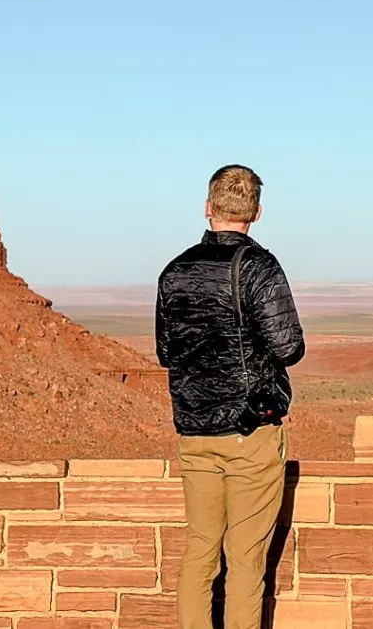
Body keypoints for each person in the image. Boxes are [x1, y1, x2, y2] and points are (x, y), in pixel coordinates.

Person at [156, 164, 305, 629]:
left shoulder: (174, 271)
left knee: (199, 553)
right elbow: (289, 347)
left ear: (208, 207)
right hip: (249, 431)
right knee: (245, 560)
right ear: (256, 213)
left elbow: (166, 351)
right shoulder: (259, 267)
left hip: (195, 432)